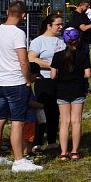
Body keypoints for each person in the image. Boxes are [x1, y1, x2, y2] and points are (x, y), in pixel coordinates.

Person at [0, 1, 41, 173]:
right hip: (16, 82)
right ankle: (19, 160)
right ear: (23, 15)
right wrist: (27, 78)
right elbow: (23, 60)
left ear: (7, 12)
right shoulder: (18, 33)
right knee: (18, 122)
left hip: (0, 82)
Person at [28, 13, 65, 151]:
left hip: (59, 80)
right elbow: (31, 58)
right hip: (44, 80)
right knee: (42, 110)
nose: (61, 27)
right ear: (49, 26)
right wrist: (51, 65)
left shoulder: (61, 40)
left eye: (61, 24)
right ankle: (37, 141)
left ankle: (51, 140)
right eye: (58, 24)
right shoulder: (39, 41)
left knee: (55, 111)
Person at [51, 27, 90, 160]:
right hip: (77, 89)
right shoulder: (83, 55)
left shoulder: (57, 55)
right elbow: (87, 74)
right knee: (76, 121)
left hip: (62, 90)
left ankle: (63, 152)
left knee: (64, 122)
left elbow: (52, 75)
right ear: (77, 40)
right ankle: (74, 151)